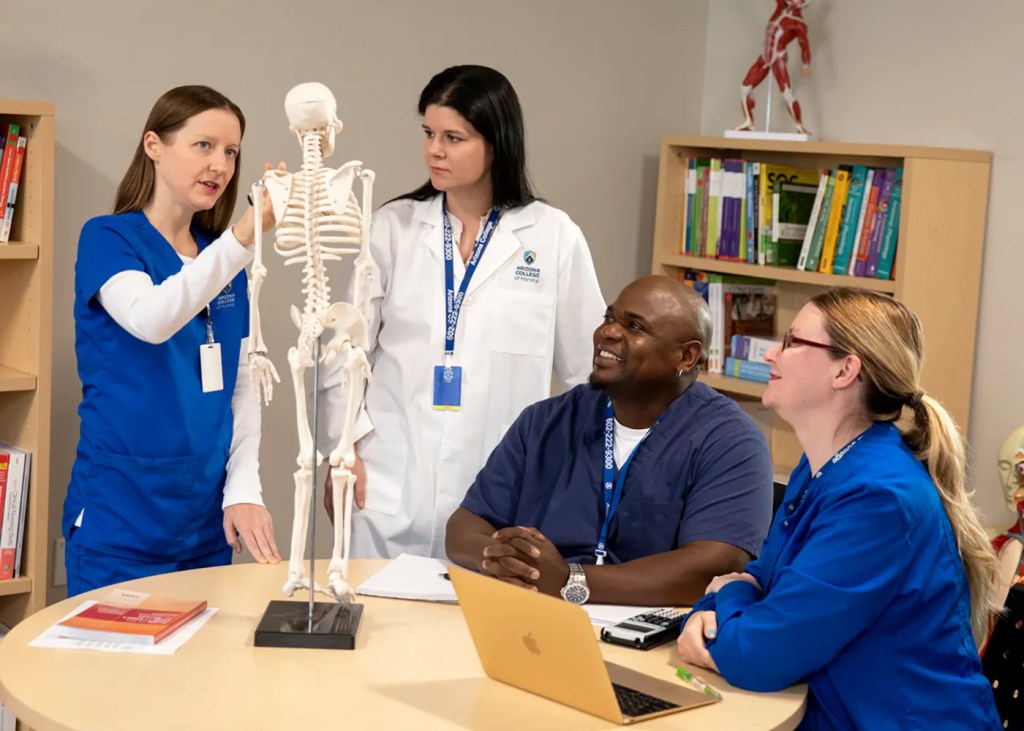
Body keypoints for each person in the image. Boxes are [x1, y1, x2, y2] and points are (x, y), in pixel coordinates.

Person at [677, 288, 1000, 729]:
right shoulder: (820, 467)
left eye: (792, 342)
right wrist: (733, 596)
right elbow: (764, 585)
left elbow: (757, 653)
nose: (772, 354)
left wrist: (725, 593)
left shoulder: (878, 498)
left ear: (845, 370)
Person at [319, 65, 605, 559]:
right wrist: (342, 451)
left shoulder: (553, 236)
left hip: (500, 491)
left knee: (474, 629)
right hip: (389, 477)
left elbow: (590, 373)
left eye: (454, 137)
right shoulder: (394, 227)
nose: (435, 150)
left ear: (496, 143)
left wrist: (573, 483)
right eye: (429, 133)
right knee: (379, 624)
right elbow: (343, 353)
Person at [64, 85, 281, 596]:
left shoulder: (223, 257)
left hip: (204, 524)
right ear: (154, 146)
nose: (221, 166)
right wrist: (244, 237)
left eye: (231, 152)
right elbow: (151, 317)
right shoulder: (109, 239)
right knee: (108, 675)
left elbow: (244, 383)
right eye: (204, 145)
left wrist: (243, 489)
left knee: (201, 675)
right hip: (120, 521)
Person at [445, 276, 773, 606]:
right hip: (535, 615)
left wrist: (569, 579)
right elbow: (464, 526)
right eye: (610, 318)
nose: (609, 332)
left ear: (686, 357)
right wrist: (499, 556)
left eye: (635, 326)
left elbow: (715, 565)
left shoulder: (731, 441)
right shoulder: (546, 421)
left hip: (649, 639)